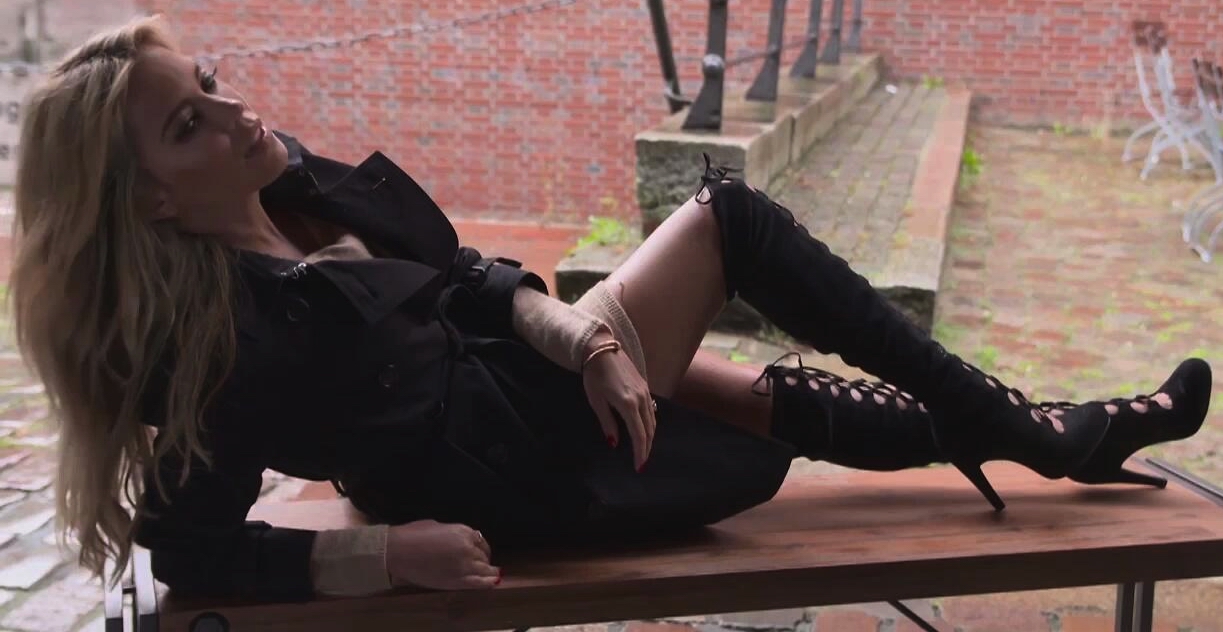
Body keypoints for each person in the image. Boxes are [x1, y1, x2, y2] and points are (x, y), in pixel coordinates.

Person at [9, 15, 1213, 603]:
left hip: (506, 383)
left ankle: (1054, 430)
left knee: (741, 396)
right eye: (190, 125)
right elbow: (191, 546)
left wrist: (577, 332)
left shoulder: (290, 189)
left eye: (210, 83)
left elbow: (460, 274)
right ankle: (1035, 434)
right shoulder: (213, 344)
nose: (234, 114)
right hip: (500, 464)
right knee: (731, 222)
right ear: (148, 203)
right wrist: (385, 555)